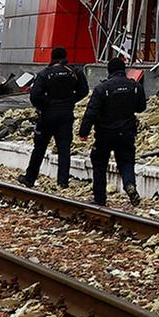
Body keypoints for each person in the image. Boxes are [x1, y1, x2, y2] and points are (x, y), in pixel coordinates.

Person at [79, 56, 147, 207]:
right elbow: (141, 108)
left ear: (109, 71)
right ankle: (130, 185)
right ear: (124, 70)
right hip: (127, 132)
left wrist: (83, 132)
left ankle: (100, 198)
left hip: (105, 133)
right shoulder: (135, 86)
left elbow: (91, 112)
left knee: (99, 162)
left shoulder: (102, 88)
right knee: (126, 161)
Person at [18, 46, 89, 188]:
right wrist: (70, 101)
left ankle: (30, 178)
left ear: (52, 57)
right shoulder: (74, 72)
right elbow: (84, 91)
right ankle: (62, 182)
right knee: (64, 148)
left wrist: (46, 104)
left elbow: (35, 96)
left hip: (47, 116)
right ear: (65, 57)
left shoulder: (45, 74)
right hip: (66, 115)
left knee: (39, 147)